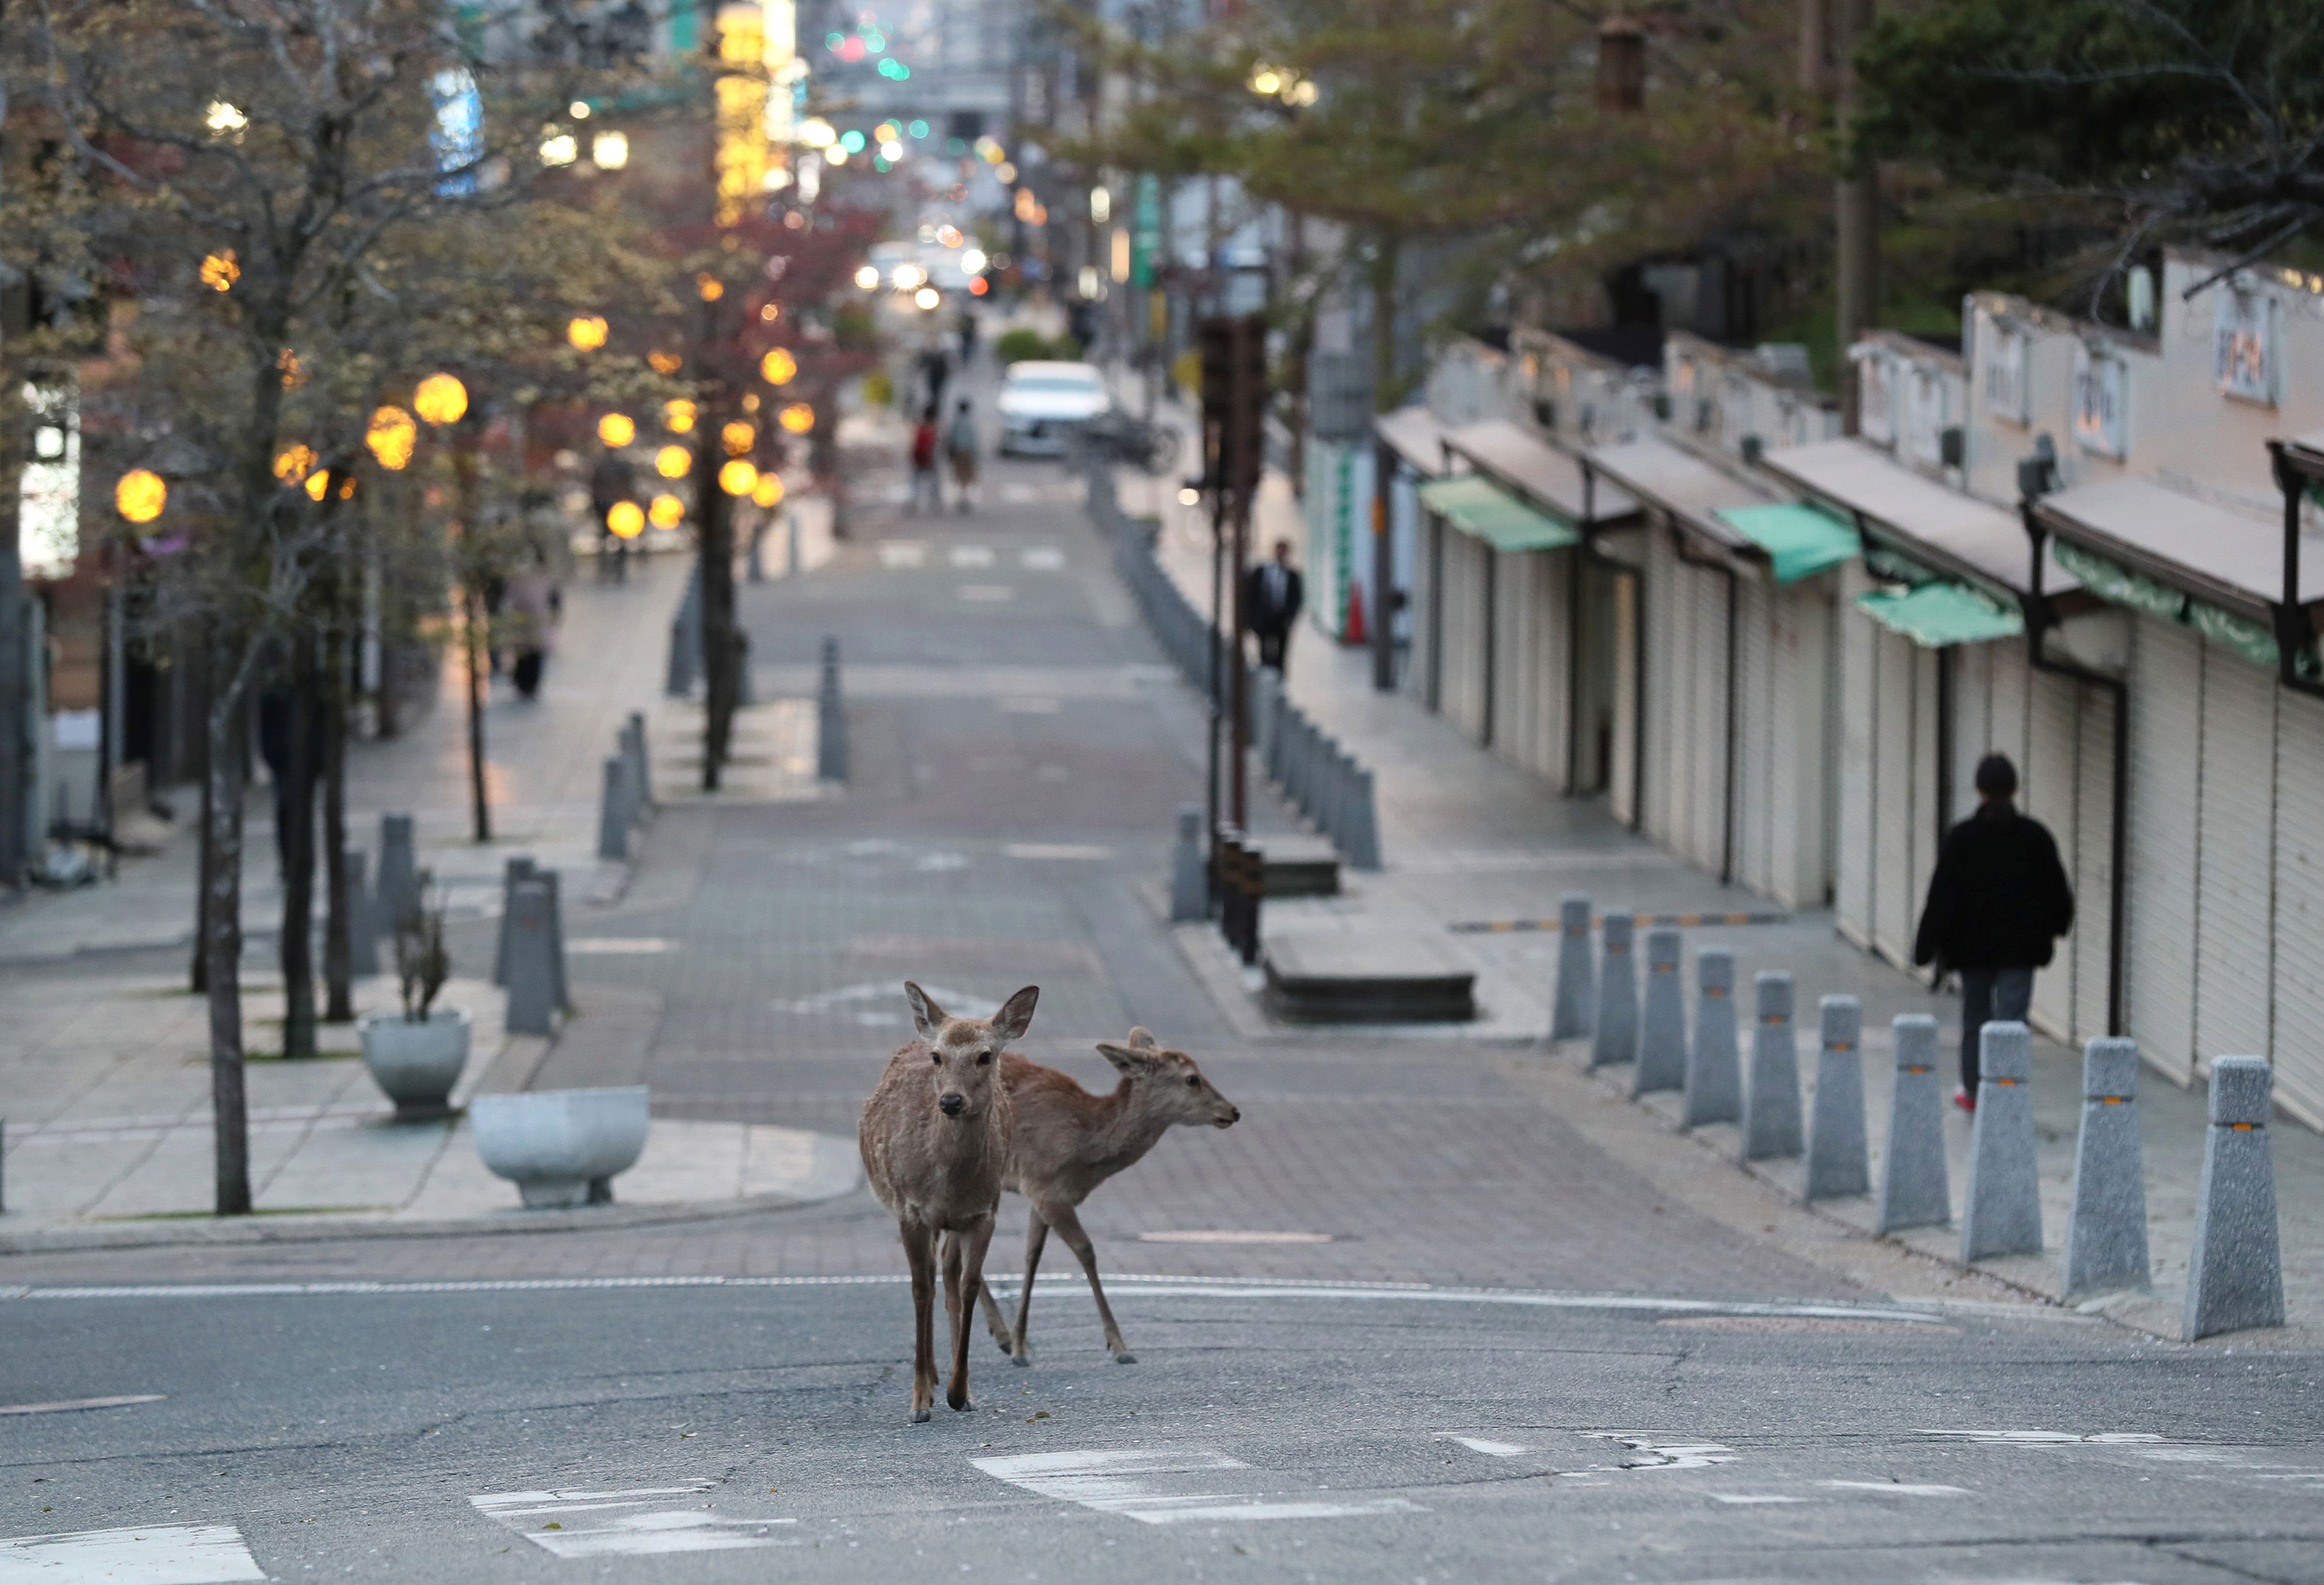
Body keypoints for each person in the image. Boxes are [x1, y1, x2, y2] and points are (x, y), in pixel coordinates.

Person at [1913, 753, 2075, 1111]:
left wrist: (1925, 947)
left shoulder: (1963, 838)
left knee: (1976, 1018)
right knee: (2012, 1019)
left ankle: (1973, 1091)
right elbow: (2056, 889)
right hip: (2021, 947)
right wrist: (2058, 925)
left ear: (1979, 790)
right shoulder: (2035, 837)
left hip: (1972, 951)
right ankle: (2008, 1085)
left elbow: (1942, 895)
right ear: (2015, 788)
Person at [502, 545, 561, 700]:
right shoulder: (541, 576)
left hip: (530, 620)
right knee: (531, 654)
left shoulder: (521, 576)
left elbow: (508, 598)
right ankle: (527, 684)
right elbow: (555, 599)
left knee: (528, 654)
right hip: (533, 620)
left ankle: (525, 684)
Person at [1242, 539, 1304, 672]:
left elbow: (1297, 599)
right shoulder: (1263, 572)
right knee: (1264, 652)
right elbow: (1252, 596)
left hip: (1282, 620)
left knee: (1281, 654)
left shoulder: (1293, 576)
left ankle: (1278, 678)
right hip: (1265, 618)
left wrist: (1290, 617)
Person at [944, 397, 979, 514]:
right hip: (967, 453)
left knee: (960, 476)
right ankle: (964, 498)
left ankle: (962, 498)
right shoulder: (970, 422)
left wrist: (949, 452)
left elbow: (951, 438)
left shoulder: (956, 422)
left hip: (959, 452)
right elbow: (974, 441)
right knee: (966, 477)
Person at [908, 405, 941, 514]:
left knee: (915, 482)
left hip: (918, 458)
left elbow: (914, 443)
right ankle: (935, 504)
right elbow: (936, 446)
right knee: (934, 482)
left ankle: (913, 501)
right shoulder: (933, 429)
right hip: (929, 459)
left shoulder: (920, 427)